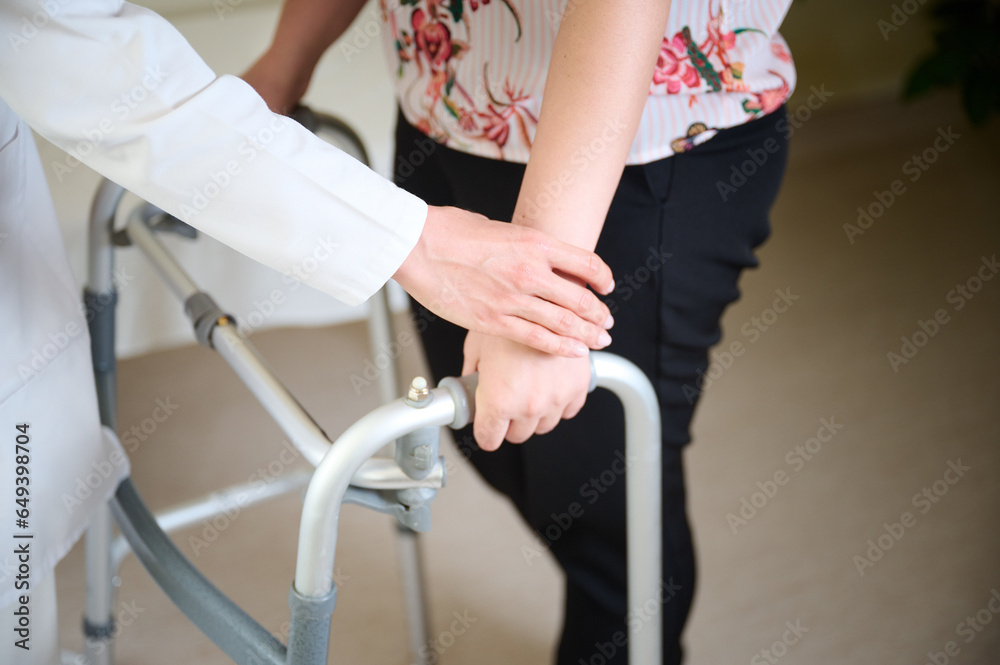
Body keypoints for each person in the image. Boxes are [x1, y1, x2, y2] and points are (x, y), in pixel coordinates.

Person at [0, 0, 621, 662]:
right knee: (513, 454)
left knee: (591, 485)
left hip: (622, 145)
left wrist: (537, 301)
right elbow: (58, 40)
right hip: (443, 96)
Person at [247, 0, 797, 663]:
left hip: (644, 146)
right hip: (447, 113)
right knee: (488, 432)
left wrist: (541, 298)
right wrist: (282, 69)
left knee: (605, 501)